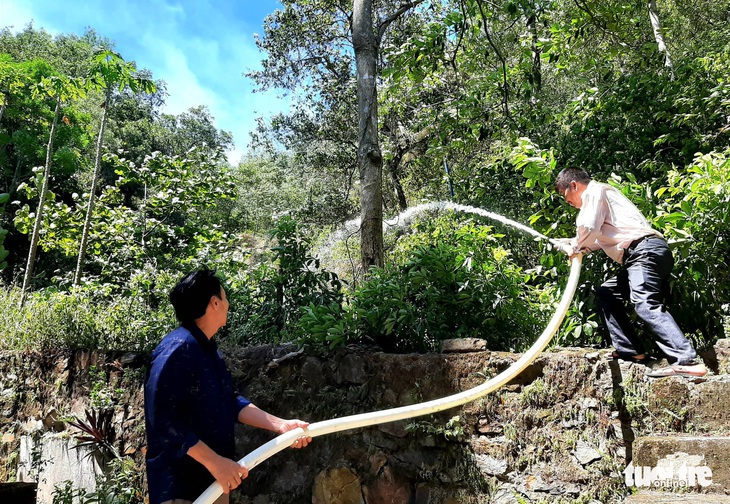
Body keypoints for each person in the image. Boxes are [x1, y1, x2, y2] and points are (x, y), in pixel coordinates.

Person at [145, 269, 312, 504]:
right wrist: (215, 462)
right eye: (225, 297)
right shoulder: (177, 348)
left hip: (213, 480)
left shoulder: (207, 350)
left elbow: (229, 401)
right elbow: (162, 418)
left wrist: (281, 425)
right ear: (214, 302)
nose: (228, 304)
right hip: (180, 487)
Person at [554, 167, 707, 378]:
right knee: (607, 293)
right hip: (646, 253)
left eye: (566, 196)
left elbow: (588, 228)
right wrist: (571, 244)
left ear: (574, 185)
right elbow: (595, 238)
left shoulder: (595, 191)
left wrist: (576, 246)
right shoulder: (603, 203)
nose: (567, 202)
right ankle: (631, 351)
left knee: (644, 301)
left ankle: (687, 361)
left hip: (644, 251)